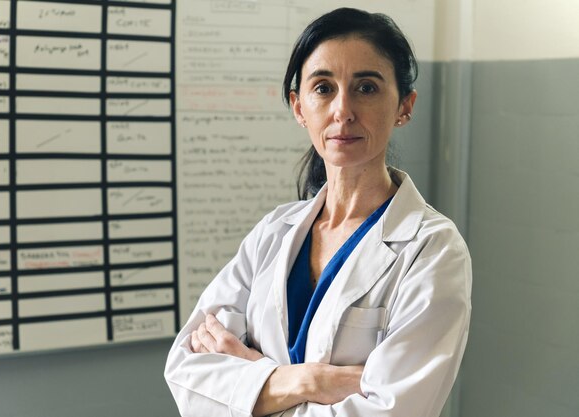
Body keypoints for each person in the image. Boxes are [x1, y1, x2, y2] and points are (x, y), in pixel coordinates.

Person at [165, 8, 471, 417]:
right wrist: (313, 381)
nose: (342, 110)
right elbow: (186, 373)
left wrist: (254, 379)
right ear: (299, 107)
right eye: (323, 88)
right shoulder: (274, 232)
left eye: (366, 87)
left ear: (405, 106)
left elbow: (393, 412)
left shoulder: (433, 249)